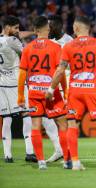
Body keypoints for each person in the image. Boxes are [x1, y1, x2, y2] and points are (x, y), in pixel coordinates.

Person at [46, 16, 96, 170]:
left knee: (72, 124)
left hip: (75, 91)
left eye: (73, 26)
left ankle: (75, 162)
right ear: (89, 28)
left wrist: (51, 89)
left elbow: (60, 70)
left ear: (77, 28)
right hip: (94, 90)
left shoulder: (68, 46)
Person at [18, 16, 69, 170]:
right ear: (47, 29)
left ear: (34, 30)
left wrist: (20, 95)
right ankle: (67, 160)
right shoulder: (55, 47)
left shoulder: (27, 48)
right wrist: (65, 91)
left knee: (35, 126)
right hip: (51, 92)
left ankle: (41, 162)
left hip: (34, 92)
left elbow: (22, 74)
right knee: (63, 124)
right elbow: (59, 72)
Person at [0, 15, 36, 163]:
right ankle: (29, 152)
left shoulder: (2, 38)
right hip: (17, 84)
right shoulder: (13, 40)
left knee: (6, 119)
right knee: (26, 116)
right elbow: (28, 54)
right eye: (15, 28)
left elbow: (18, 35)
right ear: (7, 27)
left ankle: (7, 155)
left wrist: (32, 32)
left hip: (1, 85)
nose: (17, 31)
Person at [42, 15, 73, 163]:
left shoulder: (69, 42)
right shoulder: (48, 41)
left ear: (59, 26)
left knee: (66, 121)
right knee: (51, 119)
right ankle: (60, 150)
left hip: (66, 86)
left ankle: (69, 153)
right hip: (53, 85)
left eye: (51, 27)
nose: (48, 30)